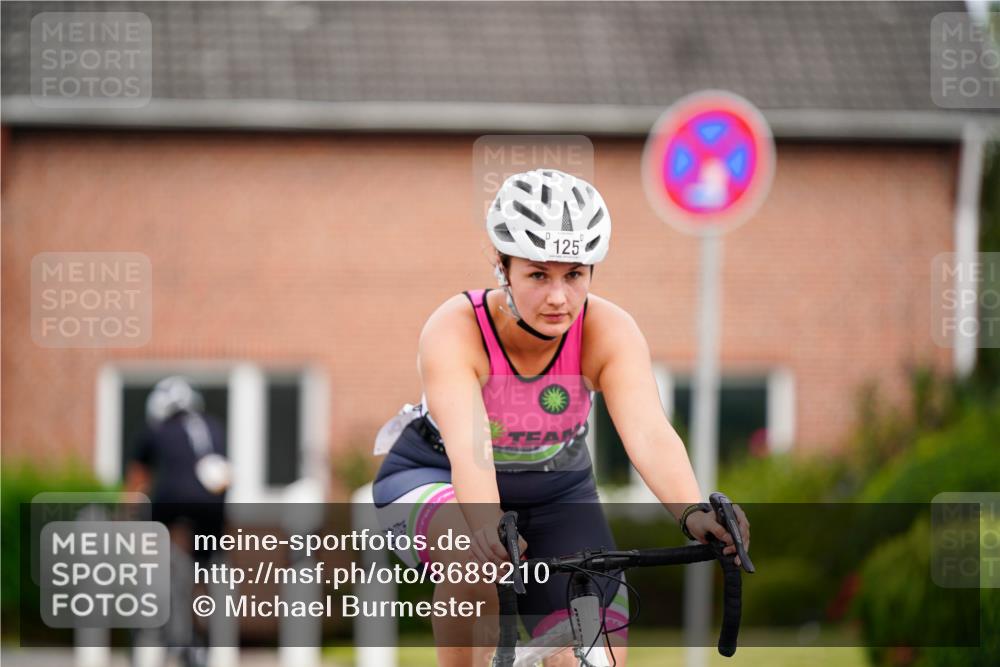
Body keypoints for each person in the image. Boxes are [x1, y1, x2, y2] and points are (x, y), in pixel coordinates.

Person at [372, 169, 751, 667]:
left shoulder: (608, 329)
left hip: (556, 489)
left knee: (594, 645)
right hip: (436, 474)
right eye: (538, 275)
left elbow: (649, 433)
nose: (558, 297)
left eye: (574, 275)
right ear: (502, 266)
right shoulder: (455, 328)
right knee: (471, 558)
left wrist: (692, 511)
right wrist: (487, 526)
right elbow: (470, 449)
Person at [125, 376, 230, 667]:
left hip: (172, 506)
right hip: (213, 509)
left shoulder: (157, 430)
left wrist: (126, 516)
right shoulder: (213, 426)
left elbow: (137, 481)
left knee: (158, 562)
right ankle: (200, 636)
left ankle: (163, 634)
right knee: (203, 572)